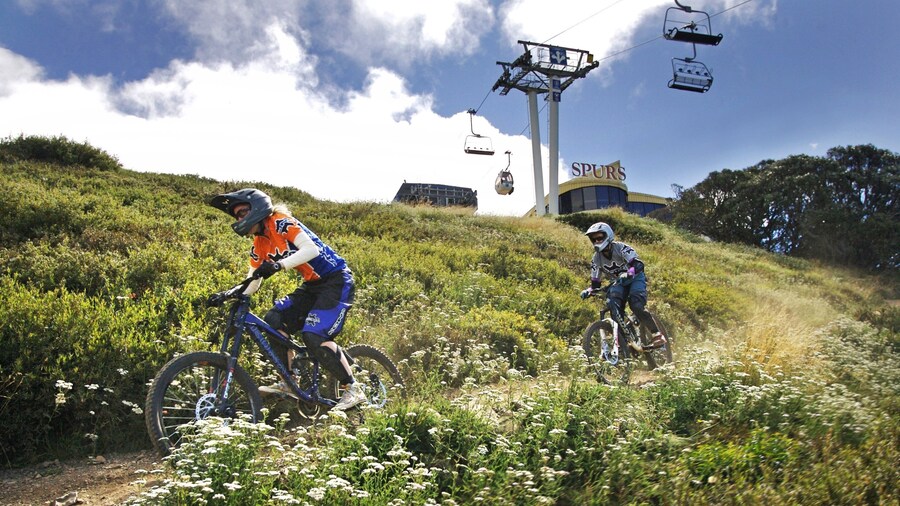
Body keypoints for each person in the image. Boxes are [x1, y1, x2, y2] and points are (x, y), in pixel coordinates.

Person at [209, 188, 366, 411]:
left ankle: (352, 388)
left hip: (336, 280)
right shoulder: (259, 243)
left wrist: (278, 265)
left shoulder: (281, 222)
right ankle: (290, 382)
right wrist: (230, 293)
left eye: (243, 212)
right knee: (273, 319)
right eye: (237, 216)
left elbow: (310, 250)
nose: (240, 219)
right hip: (312, 286)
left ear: (257, 208)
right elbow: (253, 280)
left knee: (314, 334)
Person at [579, 222, 667, 348]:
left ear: (608, 236)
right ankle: (623, 342)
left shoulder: (621, 248)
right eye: (594, 239)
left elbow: (638, 265)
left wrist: (629, 273)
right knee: (614, 306)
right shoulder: (596, 258)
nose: (597, 241)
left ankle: (657, 335)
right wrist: (589, 290)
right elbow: (595, 283)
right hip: (619, 283)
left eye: (600, 238)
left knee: (636, 304)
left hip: (636, 278)